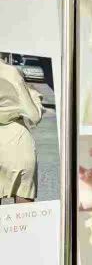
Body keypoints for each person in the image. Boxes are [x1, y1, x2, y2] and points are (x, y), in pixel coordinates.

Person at [0, 54, 44, 203]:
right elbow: (33, 116)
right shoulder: (10, 72)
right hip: (17, 142)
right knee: (24, 211)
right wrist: (35, 96)